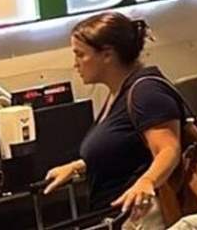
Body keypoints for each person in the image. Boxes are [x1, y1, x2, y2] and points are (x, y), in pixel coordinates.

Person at [41, 13, 182, 222]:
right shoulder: (118, 93)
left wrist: (148, 181)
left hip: (139, 219)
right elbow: (122, 150)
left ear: (107, 55)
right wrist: (78, 166)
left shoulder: (146, 92)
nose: (75, 64)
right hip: (114, 217)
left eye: (80, 55)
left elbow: (168, 149)